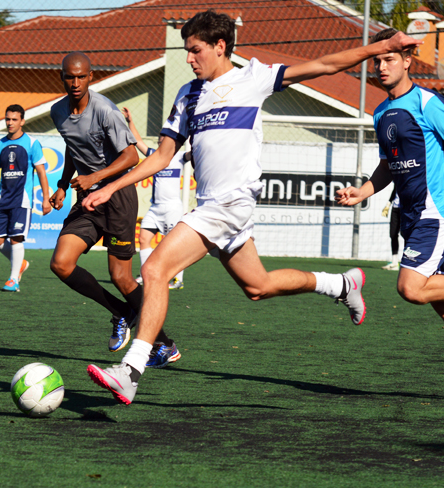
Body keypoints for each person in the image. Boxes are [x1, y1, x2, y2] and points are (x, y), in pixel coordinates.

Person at [82, 10, 421, 405]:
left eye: (195, 50)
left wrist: (383, 46)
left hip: (231, 204)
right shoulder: (188, 95)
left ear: (220, 46)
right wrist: (112, 187)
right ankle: (341, 284)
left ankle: (131, 371)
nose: (189, 59)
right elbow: (161, 157)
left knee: (155, 268)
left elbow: (326, 64)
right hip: (214, 207)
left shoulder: (253, 77)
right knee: (258, 286)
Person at [49, 52, 180, 368]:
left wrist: (95, 176)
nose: (76, 82)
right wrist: (64, 184)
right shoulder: (57, 112)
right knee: (61, 264)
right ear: (62, 77)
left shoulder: (106, 111)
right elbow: (73, 146)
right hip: (88, 200)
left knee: (121, 277)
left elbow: (131, 157)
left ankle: (165, 344)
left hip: (118, 197)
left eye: (81, 76)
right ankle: (121, 311)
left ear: (91, 76)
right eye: (70, 77)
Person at [337, 28, 444, 342]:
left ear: (407, 61)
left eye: (389, 59)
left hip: (437, 212)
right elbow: (389, 164)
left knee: (411, 287)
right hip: (412, 217)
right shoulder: (380, 113)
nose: (381, 67)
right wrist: (362, 191)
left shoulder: (427, 102)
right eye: (376, 60)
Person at [0, 104, 52, 292]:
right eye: (7, 119)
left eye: (14, 120)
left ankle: (13, 280)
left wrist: (45, 198)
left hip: (22, 200)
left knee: (16, 238)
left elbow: (42, 173)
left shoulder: (32, 144)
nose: (10, 123)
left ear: (22, 121)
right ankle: (21, 264)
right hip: (1, 199)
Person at [122, 106, 189, 290]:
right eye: (161, 135)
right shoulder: (154, 155)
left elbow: (195, 153)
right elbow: (136, 141)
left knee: (173, 245)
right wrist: (130, 121)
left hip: (171, 208)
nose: (162, 138)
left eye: (165, 136)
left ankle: (177, 278)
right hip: (155, 208)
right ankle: (146, 274)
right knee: (144, 238)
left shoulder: (180, 156)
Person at [381, 184, 401, 270]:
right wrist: (388, 203)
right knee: (393, 234)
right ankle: (394, 262)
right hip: (395, 208)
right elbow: (395, 189)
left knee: (406, 234)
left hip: (405, 209)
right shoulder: (398, 177)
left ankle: (407, 261)